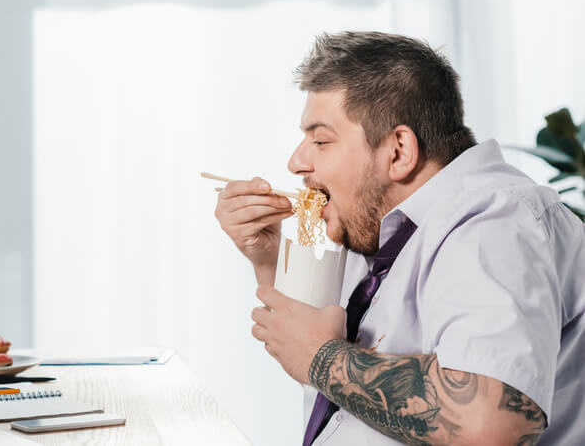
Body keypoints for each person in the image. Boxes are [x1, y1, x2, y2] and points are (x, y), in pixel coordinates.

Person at [213, 31, 585, 445]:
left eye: (320, 140)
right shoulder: (380, 223)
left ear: (398, 151)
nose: (297, 162)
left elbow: (489, 427)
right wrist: (266, 258)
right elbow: (309, 337)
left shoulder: (495, 224)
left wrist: (322, 359)